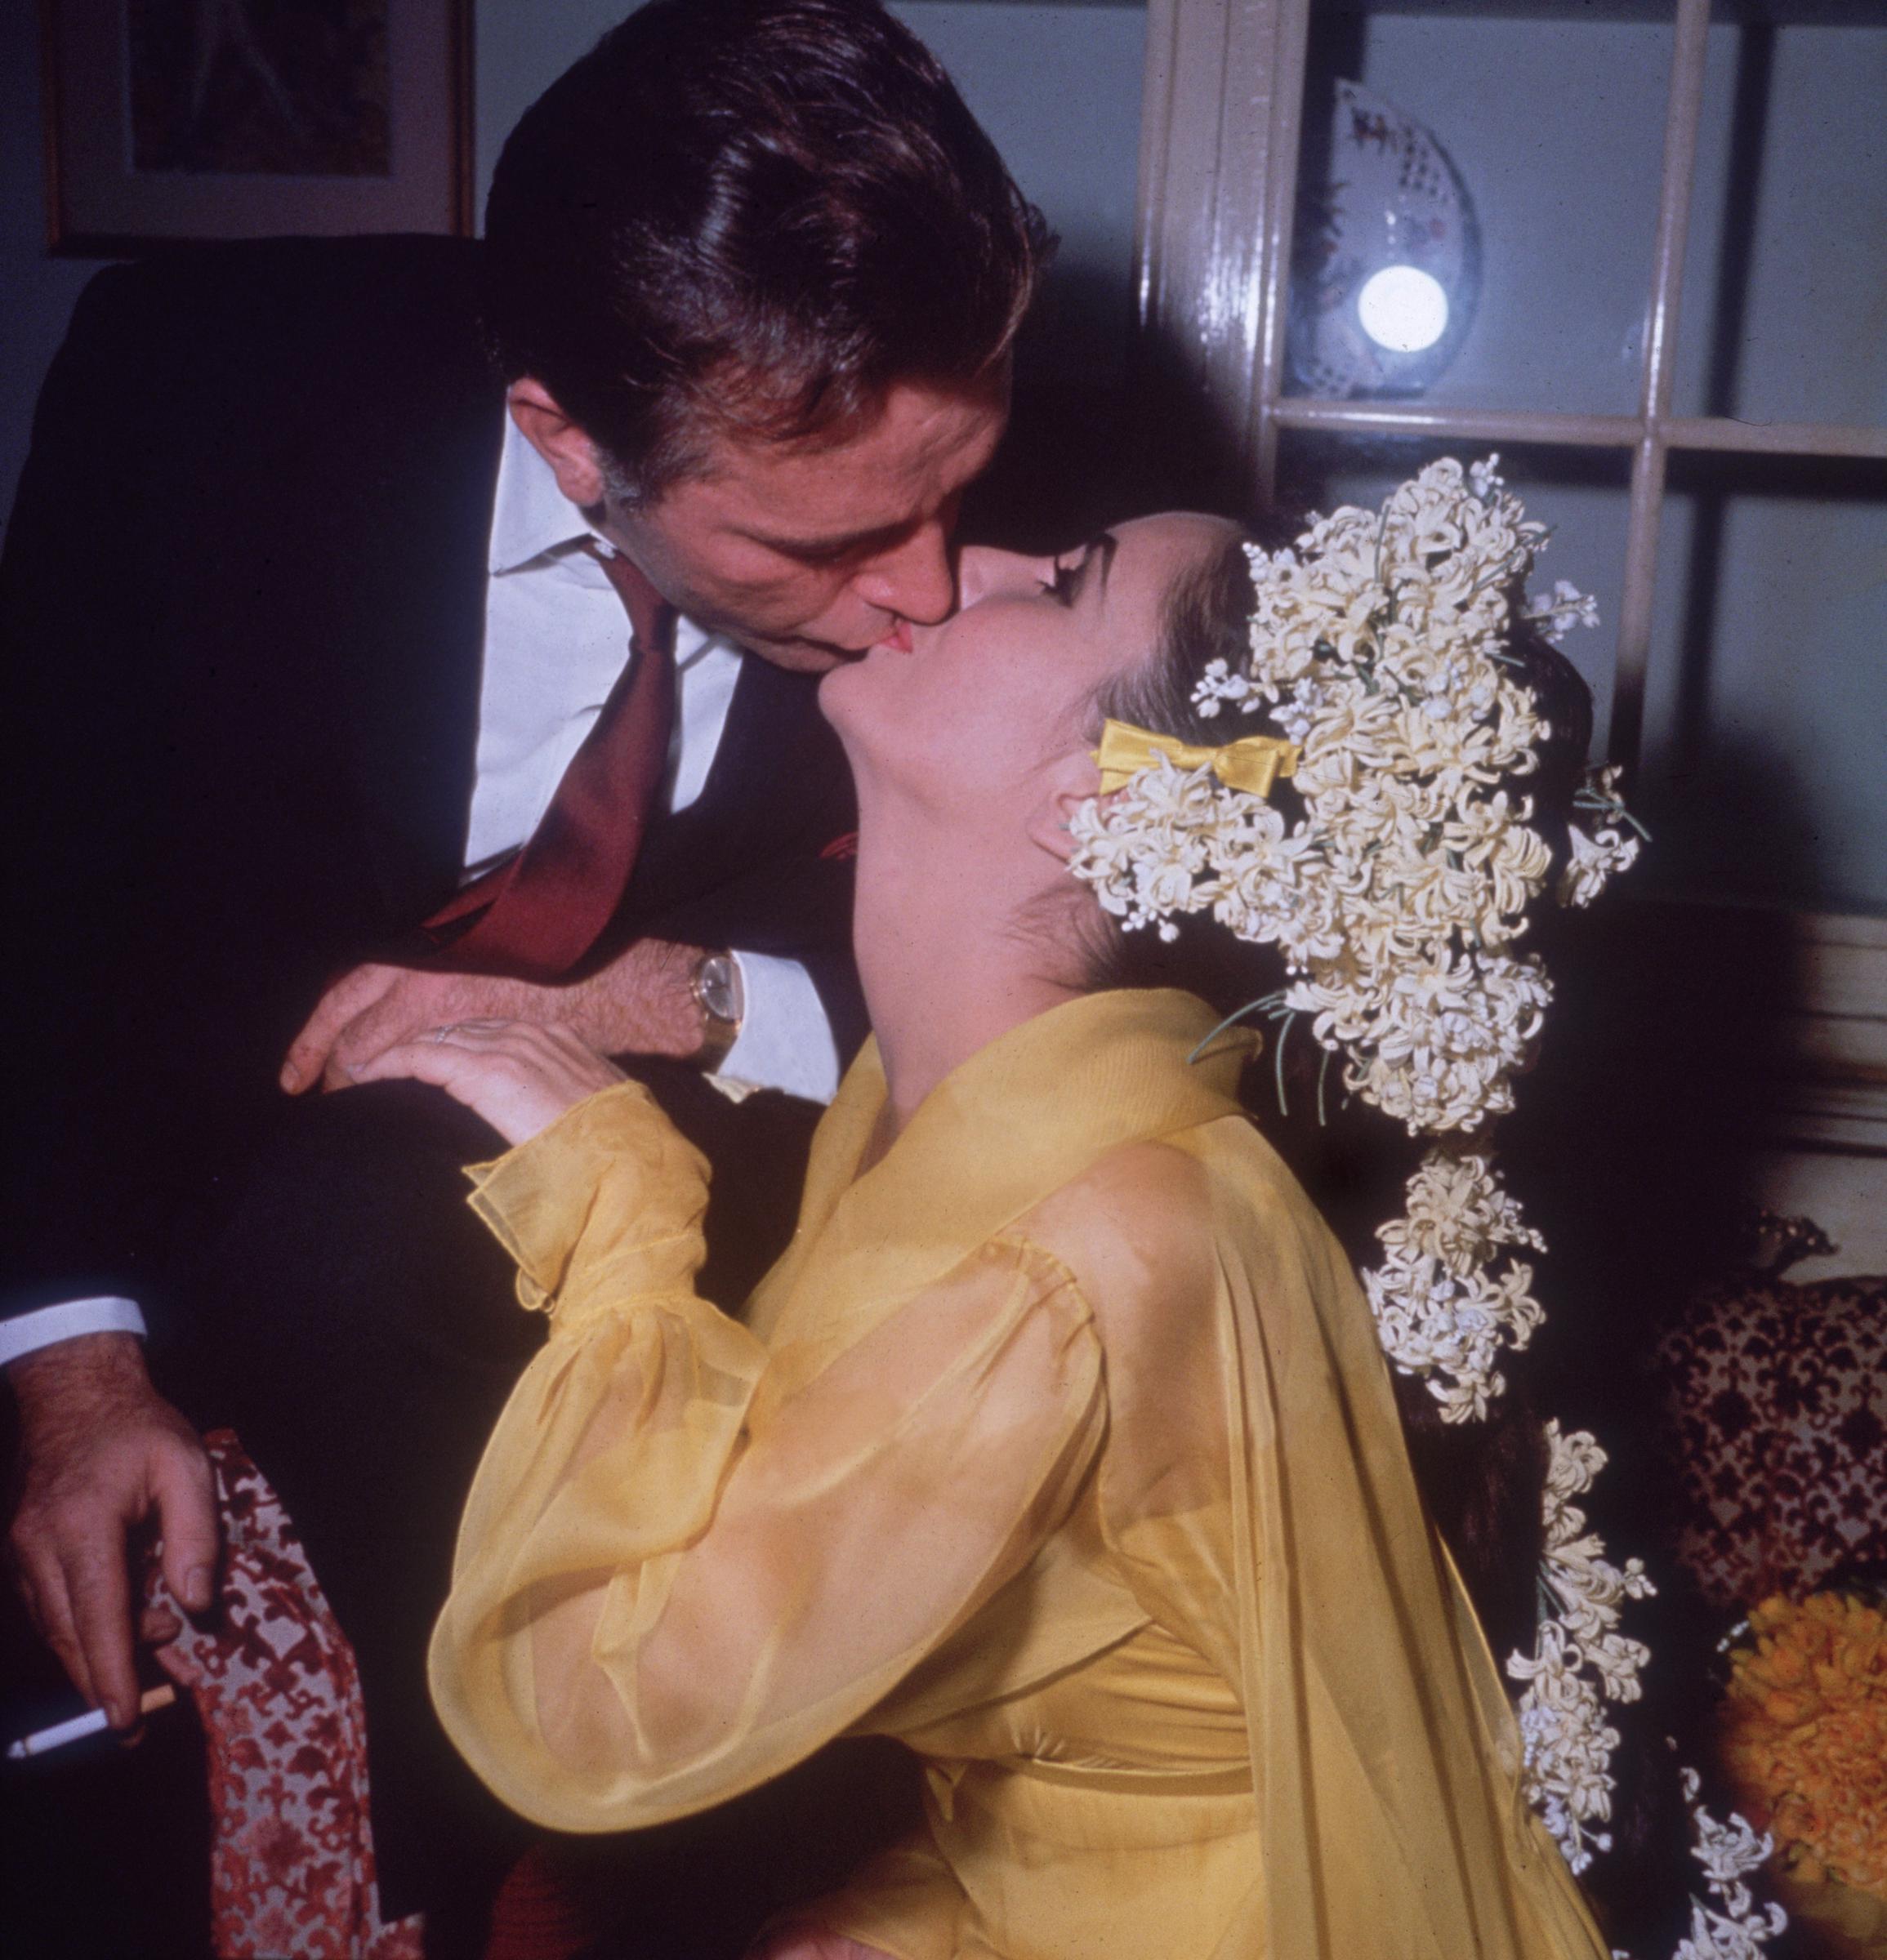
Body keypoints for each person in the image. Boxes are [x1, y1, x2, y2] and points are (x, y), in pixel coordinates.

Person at [1, 0, 1043, 1933]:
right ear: (566, 438)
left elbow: (1080, 967)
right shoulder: (197, 395)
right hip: (197, 1145)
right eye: (828, 543)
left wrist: (647, 997)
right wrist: (70, 1368)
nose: (928, 593)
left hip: (690, 1196)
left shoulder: (966, 481)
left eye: (953, 496)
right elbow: (40, 890)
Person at [368, 511, 1617, 1958]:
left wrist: (621, 1211)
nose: (967, 562)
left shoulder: (1099, 1237)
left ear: (1101, 810)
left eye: (1064, 577)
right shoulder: (912, 1109)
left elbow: (599, 1719)